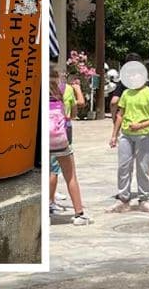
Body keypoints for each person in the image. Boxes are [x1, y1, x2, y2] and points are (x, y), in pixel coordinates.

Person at [108, 62, 149, 213]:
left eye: (136, 74)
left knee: (143, 168)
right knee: (123, 167)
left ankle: (143, 199)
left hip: (144, 135)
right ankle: (123, 199)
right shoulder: (126, 93)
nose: (133, 77)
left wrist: (141, 125)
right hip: (126, 135)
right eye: (131, 75)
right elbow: (120, 115)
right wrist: (114, 135)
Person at [48, 67, 90, 225]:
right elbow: (73, 113)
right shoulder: (65, 90)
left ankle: (48, 205)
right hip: (60, 139)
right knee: (70, 175)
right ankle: (79, 213)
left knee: (49, 172)